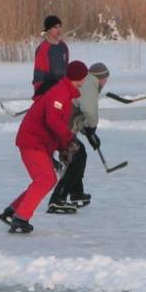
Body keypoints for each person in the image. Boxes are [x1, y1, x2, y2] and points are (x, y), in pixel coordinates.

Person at [0, 60, 89, 234]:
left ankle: (12, 212)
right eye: (84, 77)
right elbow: (53, 120)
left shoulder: (64, 92)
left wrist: (62, 147)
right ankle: (20, 219)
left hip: (38, 142)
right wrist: (69, 139)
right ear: (80, 78)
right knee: (45, 180)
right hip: (32, 142)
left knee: (45, 180)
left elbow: (56, 124)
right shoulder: (60, 92)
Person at [47, 62, 110, 214]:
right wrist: (92, 127)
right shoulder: (91, 83)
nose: (105, 83)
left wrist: (87, 132)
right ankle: (58, 200)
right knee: (77, 156)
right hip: (61, 129)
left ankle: (76, 193)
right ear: (101, 77)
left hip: (63, 127)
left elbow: (78, 113)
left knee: (77, 157)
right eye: (105, 79)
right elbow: (88, 109)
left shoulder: (86, 83)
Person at [33, 15, 69, 98]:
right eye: (55, 27)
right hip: (48, 90)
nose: (58, 30)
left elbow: (66, 68)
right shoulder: (43, 49)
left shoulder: (63, 46)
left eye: (59, 27)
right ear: (48, 29)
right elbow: (39, 73)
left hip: (62, 89)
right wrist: (40, 94)